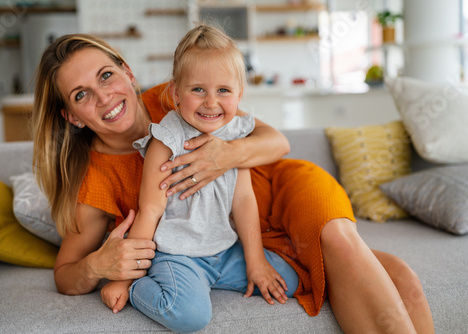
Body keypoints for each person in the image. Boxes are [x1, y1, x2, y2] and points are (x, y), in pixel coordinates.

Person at [31, 26, 434, 333]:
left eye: (105, 75)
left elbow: (277, 141)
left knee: (354, 252)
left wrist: (225, 156)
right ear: (71, 116)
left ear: (126, 71)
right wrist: (98, 266)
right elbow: (65, 272)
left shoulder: (175, 95)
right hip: (237, 239)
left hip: (280, 189)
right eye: (80, 95)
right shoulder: (96, 182)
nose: (103, 97)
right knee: (401, 281)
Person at [100, 25, 299, 332]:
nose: (211, 102)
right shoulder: (166, 140)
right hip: (178, 255)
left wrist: (256, 261)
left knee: (289, 280)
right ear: (176, 93)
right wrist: (123, 280)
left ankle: (207, 281)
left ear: (239, 95)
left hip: (224, 251)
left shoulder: (234, 135)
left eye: (223, 90)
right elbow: (150, 211)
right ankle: (147, 287)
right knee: (190, 316)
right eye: (198, 90)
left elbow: (243, 200)